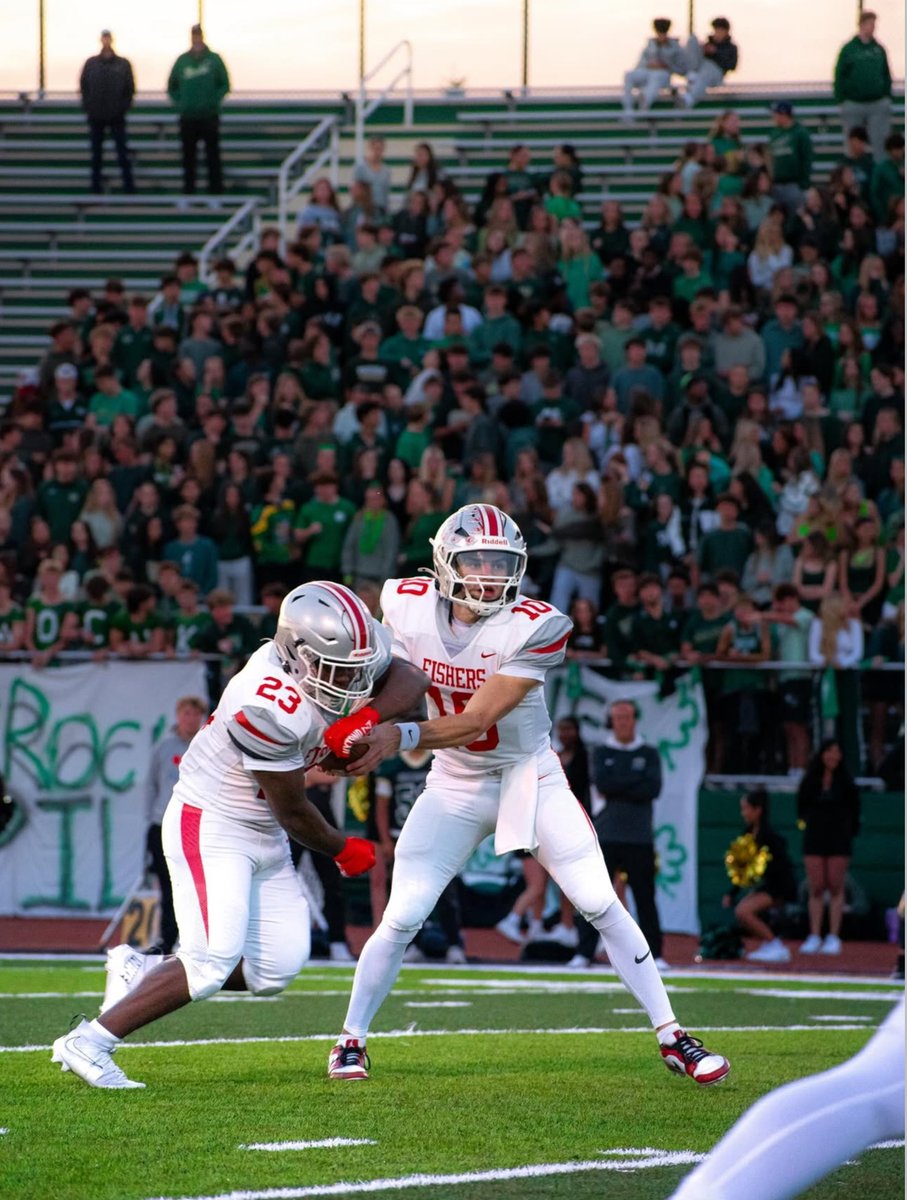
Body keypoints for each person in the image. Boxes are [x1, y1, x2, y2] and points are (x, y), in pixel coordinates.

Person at [322, 503, 729, 1086]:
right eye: (477, 560)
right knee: (403, 913)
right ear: (446, 560)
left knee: (598, 900)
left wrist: (398, 735)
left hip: (528, 777)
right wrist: (354, 723)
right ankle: (350, 1040)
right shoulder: (405, 602)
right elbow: (395, 680)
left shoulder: (536, 624)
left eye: (500, 562)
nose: (489, 574)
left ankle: (673, 1036)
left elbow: (476, 718)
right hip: (454, 782)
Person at [50, 582, 429, 1089]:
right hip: (213, 822)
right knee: (209, 962)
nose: (353, 679)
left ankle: (143, 968)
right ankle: (89, 1041)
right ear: (298, 655)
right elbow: (293, 810)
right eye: (339, 670)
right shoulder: (265, 703)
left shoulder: (346, 653)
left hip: (263, 831)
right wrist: (342, 848)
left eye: (357, 669)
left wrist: (366, 717)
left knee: (274, 969)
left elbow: (411, 678)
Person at [571, 699, 667, 972]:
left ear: (635, 720)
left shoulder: (649, 753)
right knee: (594, 895)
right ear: (611, 721)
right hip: (607, 834)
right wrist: (632, 782)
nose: (623, 722)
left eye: (627, 716)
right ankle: (584, 952)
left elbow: (652, 788)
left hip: (640, 837)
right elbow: (603, 783)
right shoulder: (601, 752)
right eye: (618, 717)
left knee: (645, 898)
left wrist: (618, 784)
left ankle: (655, 954)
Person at [142, 696, 208, 955]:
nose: (190, 719)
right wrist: (153, 817)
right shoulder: (164, 748)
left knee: (199, 885)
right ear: (178, 716)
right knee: (169, 885)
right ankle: (167, 938)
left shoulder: (207, 746)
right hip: (163, 825)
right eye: (186, 713)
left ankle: (199, 940)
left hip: (197, 826)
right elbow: (150, 785)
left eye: (195, 714)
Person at [796, 739, 861, 956]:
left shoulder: (846, 782)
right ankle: (814, 934)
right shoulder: (810, 780)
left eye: (837, 751)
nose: (833, 756)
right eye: (829, 751)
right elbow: (801, 807)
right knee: (816, 887)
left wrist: (846, 830)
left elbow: (855, 809)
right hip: (815, 837)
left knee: (835, 886)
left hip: (838, 839)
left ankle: (833, 935)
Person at [726, 789, 797, 965]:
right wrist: (732, 893)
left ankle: (775, 945)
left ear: (758, 810)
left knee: (743, 911)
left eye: (746, 808)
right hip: (767, 886)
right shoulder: (747, 834)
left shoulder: (770, 836)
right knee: (742, 911)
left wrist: (762, 874)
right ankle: (769, 943)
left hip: (780, 886)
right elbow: (743, 870)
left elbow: (779, 866)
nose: (743, 813)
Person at [167, 25, 230, 195]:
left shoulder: (214, 59)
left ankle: (216, 191)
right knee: (189, 157)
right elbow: (171, 86)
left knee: (212, 156)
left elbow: (225, 84)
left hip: (209, 116)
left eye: (198, 35)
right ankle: (189, 191)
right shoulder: (182, 61)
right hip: (188, 116)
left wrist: (213, 101)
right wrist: (181, 103)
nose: (196, 38)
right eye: (194, 35)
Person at [79, 30, 135, 194]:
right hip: (96, 116)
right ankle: (95, 187)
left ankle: (129, 187)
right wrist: (90, 107)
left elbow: (130, 89)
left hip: (117, 116)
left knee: (122, 153)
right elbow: (84, 87)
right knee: (96, 155)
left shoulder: (123, 64)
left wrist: (122, 108)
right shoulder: (91, 64)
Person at [833, 10, 893, 162]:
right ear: (861, 25)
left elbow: (886, 74)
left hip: (877, 103)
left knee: (880, 144)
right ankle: (854, 171)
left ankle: (879, 173)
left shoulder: (878, 49)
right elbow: (839, 75)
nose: (873, 28)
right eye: (870, 24)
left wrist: (886, 95)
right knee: (852, 144)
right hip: (854, 103)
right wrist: (841, 100)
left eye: (874, 24)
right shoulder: (849, 49)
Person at [623, 18, 689, 115]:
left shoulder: (675, 47)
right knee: (629, 75)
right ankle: (628, 109)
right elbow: (640, 64)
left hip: (663, 74)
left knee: (656, 77)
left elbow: (683, 69)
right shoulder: (650, 45)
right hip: (647, 72)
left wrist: (665, 66)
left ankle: (644, 108)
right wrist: (649, 64)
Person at [682, 18, 738, 109]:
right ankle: (693, 74)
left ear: (726, 32)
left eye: (720, 31)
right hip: (700, 72)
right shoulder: (708, 43)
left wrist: (716, 52)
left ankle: (689, 99)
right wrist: (703, 50)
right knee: (692, 39)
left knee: (708, 67)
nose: (717, 33)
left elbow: (732, 66)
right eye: (716, 30)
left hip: (716, 74)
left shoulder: (731, 47)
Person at [769, 101, 813, 214]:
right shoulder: (774, 133)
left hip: (794, 184)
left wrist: (803, 184)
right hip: (776, 184)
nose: (773, 116)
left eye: (775, 114)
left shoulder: (800, 133)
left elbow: (807, 159)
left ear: (783, 114)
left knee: (795, 215)